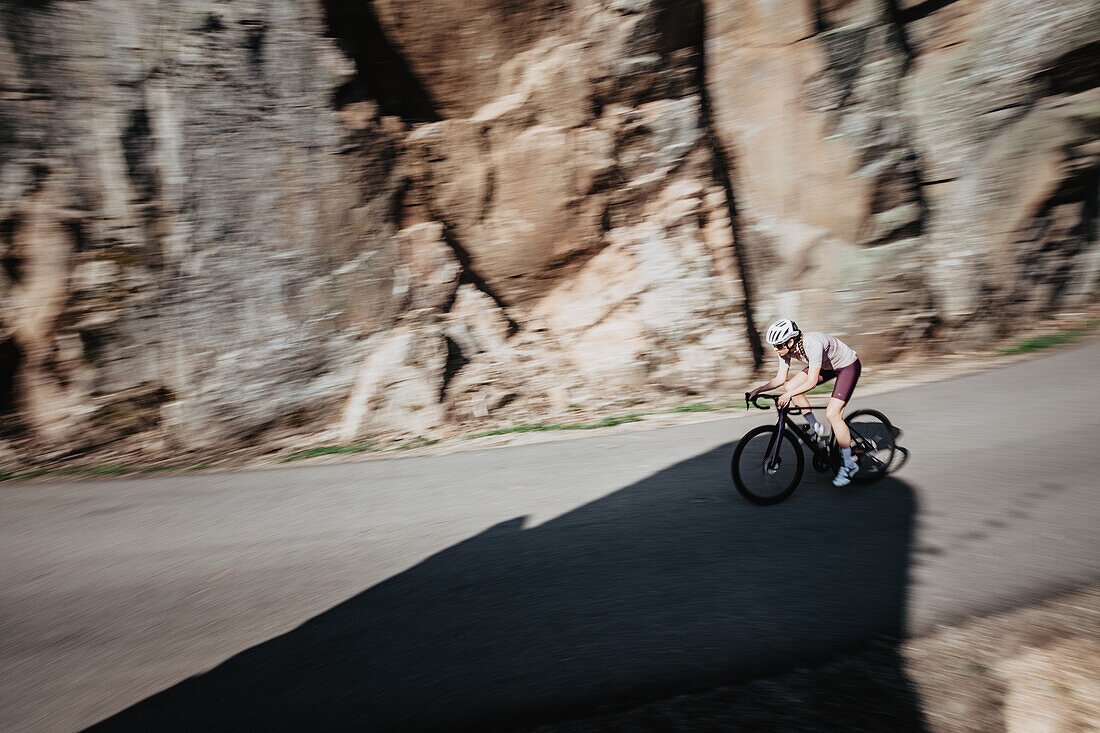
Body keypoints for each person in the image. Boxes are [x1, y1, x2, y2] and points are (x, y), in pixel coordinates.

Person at [748, 318, 863, 487]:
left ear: (791, 341)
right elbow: (781, 378)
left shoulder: (812, 345)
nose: (776, 350)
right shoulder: (785, 349)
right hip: (827, 365)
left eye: (779, 346)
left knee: (833, 413)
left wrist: (789, 395)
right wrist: (758, 389)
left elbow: (812, 382)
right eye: (774, 346)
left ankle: (849, 465)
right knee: (791, 386)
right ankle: (815, 427)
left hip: (847, 366)